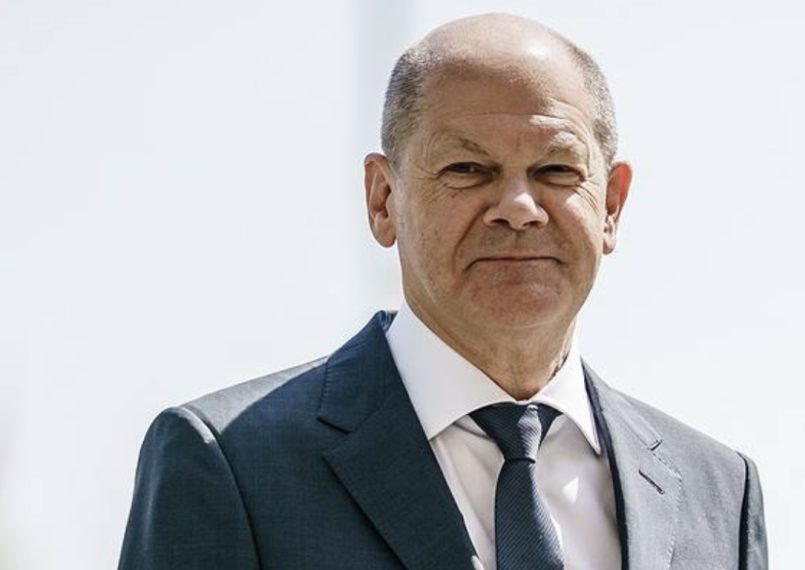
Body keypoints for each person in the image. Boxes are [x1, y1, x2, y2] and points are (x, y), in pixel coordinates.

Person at [119, 13, 767, 570]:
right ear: (383, 199)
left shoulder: (718, 491)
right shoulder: (231, 463)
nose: (519, 208)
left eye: (555, 169)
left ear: (612, 207)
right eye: (468, 168)